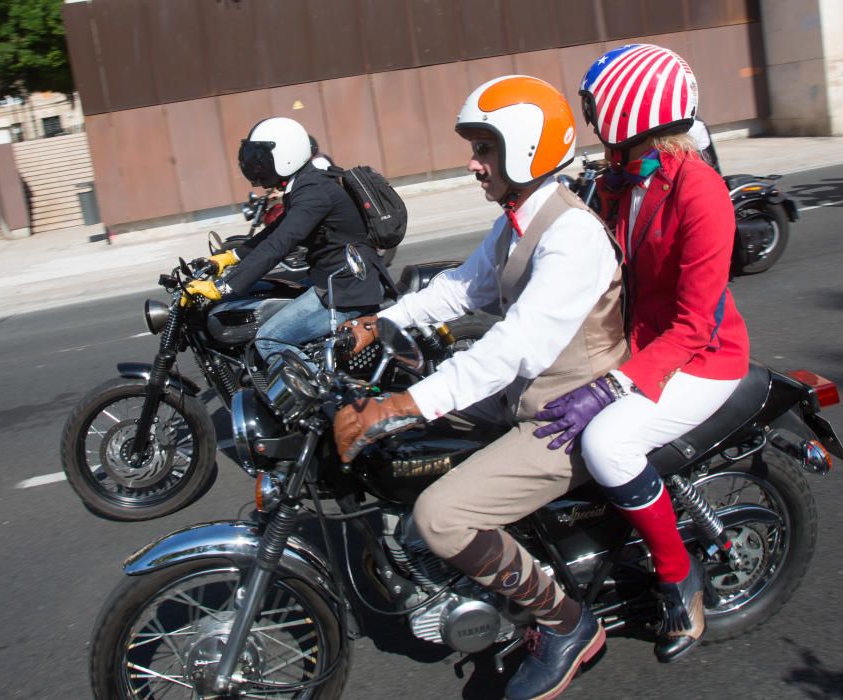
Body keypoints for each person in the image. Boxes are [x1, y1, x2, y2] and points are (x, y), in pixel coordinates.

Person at [333, 75, 628, 700]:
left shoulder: (570, 233)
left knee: (441, 515)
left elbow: (513, 345)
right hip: (531, 389)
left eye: (485, 148)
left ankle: (566, 623)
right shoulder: (521, 220)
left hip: (573, 407)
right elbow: (462, 287)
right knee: (413, 444)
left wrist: (403, 403)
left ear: (525, 148)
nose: (473, 163)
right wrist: (382, 321)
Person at [533, 44, 751, 663]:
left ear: (633, 110)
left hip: (700, 358)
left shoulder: (700, 192)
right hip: (636, 343)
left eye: (597, 105)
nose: (591, 115)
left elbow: (695, 323)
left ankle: (679, 578)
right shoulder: (612, 179)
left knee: (608, 443)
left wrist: (612, 386)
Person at [184, 117, 385, 364]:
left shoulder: (313, 191)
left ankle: (323, 399)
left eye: (261, 159)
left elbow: (280, 244)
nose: (256, 166)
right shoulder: (304, 184)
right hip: (334, 279)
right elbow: (279, 229)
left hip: (347, 290)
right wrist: (230, 257)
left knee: (269, 340)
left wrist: (224, 286)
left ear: (285, 154)